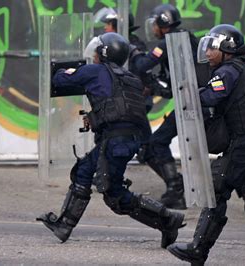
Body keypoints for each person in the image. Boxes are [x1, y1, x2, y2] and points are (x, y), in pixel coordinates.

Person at [37, 32, 185, 250]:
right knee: (84, 171)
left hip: (115, 141)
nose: (94, 55)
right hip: (126, 140)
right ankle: (64, 225)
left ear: (102, 53)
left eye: (97, 51)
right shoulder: (131, 79)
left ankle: (167, 221)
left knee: (113, 194)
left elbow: (60, 79)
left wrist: (66, 70)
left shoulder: (94, 71)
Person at [167, 24, 245, 266]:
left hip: (244, 144)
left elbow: (211, 96)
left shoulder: (228, 71)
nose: (208, 53)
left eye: (213, 48)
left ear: (227, 49)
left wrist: (189, 94)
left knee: (216, 190)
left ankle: (198, 249)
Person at [130, 3, 206, 210]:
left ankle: (175, 189)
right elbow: (174, 82)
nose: (152, 28)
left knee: (157, 142)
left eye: (154, 23)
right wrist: (156, 88)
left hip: (190, 102)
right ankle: (178, 188)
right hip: (197, 100)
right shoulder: (186, 39)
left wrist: (134, 52)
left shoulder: (166, 43)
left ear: (163, 23)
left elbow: (141, 66)